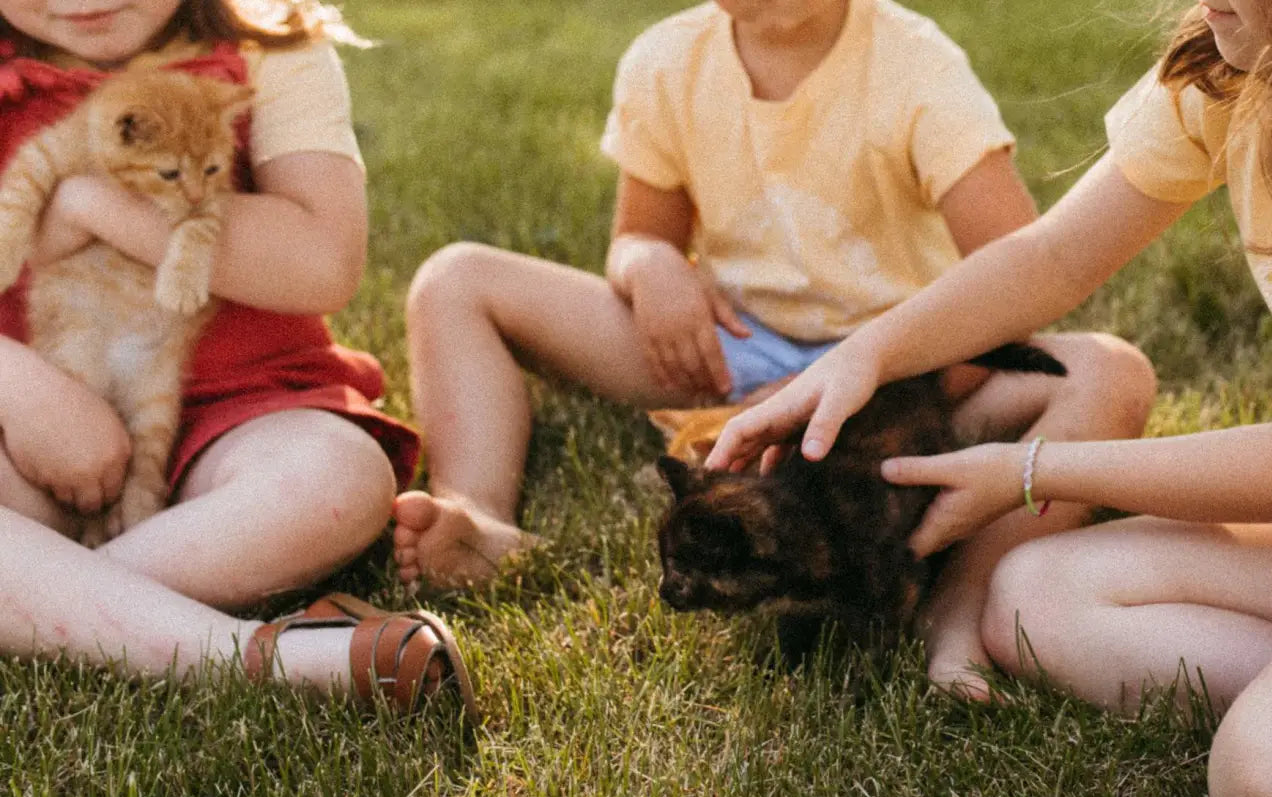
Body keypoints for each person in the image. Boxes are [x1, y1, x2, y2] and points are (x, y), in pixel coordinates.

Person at [709, 0, 1272, 797]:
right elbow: (1054, 258)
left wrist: (1030, 468)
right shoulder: (1245, 64)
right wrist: (863, 358)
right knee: (1033, 601)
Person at [392, 0, 1157, 699]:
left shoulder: (915, 66)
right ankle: (478, 514)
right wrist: (651, 266)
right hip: (727, 359)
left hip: (900, 383)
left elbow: (1013, 279)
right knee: (455, 280)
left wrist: (878, 381)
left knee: (1105, 371)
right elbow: (639, 233)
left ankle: (960, 607)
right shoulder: (670, 60)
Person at [0, 0, 476, 720]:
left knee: (337, 480)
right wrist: (17, 384)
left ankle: (55, 603)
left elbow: (322, 261)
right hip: (28, 427)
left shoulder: (269, 53)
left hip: (246, 408)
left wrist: (93, 204)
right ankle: (268, 657)